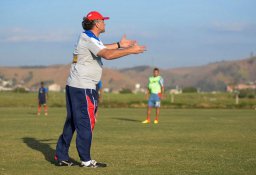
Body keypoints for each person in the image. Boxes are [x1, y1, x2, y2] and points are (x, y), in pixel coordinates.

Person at [55, 11, 145, 168]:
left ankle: (61, 155)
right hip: (83, 87)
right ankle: (86, 160)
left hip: (75, 86)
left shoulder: (89, 37)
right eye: (103, 20)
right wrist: (130, 51)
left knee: (72, 122)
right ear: (96, 23)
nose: (105, 23)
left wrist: (119, 45)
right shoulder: (89, 38)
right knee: (85, 122)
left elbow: (102, 47)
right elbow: (107, 55)